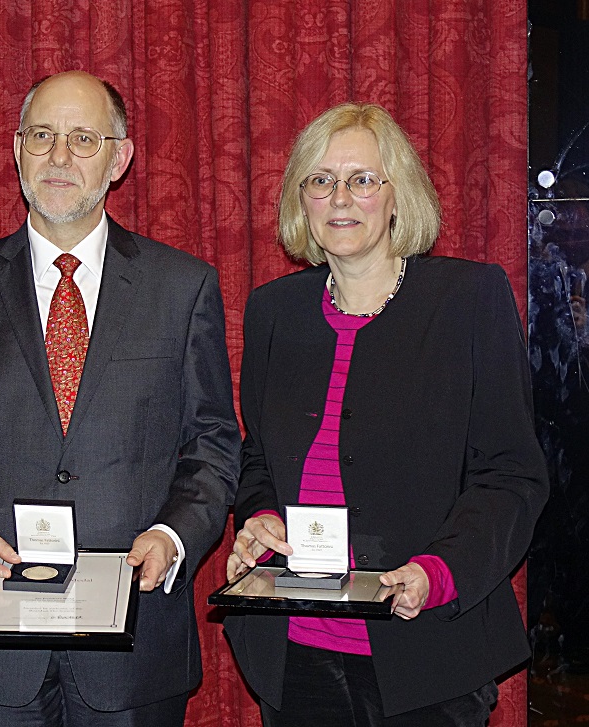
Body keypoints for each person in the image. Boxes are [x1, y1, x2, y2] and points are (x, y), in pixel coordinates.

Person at [0, 70, 240, 726]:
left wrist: (173, 534)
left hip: (135, 639)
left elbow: (214, 443)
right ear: (16, 148)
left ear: (120, 157)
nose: (58, 157)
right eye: (42, 135)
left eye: (84, 139)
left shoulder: (182, 287)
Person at [223, 102, 549, 725]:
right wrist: (261, 517)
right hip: (293, 656)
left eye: (362, 179)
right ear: (302, 202)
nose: (340, 196)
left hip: (426, 653)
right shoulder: (273, 311)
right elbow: (258, 455)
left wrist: (439, 571)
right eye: (321, 180)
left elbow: (511, 476)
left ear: (398, 195)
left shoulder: (467, 300)